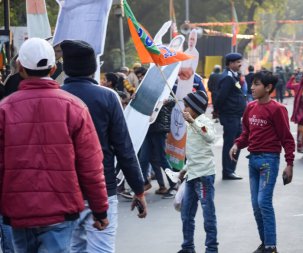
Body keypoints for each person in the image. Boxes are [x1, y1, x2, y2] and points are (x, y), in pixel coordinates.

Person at [0, 37, 109, 252]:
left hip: (18, 211)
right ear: (52, 68)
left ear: (20, 66)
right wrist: (100, 210)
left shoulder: (4, 109)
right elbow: (91, 166)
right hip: (61, 210)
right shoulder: (74, 107)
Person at [59, 40, 147, 253]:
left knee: (72, 248)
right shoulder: (108, 97)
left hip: (65, 190)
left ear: (65, 68)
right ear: (93, 69)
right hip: (102, 186)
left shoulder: (56, 98)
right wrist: (138, 189)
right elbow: (123, 148)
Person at [230, 71, 295, 253]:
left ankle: (271, 246)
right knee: (256, 205)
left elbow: (287, 139)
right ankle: (265, 242)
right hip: (253, 161)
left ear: (268, 88)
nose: (252, 87)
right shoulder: (250, 107)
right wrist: (237, 144)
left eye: (256, 84)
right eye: (252, 84)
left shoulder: (277, 109)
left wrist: (289, 164)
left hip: (269, 161)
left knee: (263, 202)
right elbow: (246, 134)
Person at [178, 90, 218, 253]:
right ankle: (188, 247)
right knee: (186, 214)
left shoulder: (203, 121)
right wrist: (184, 169)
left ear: (194, 108)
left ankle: (212, 248)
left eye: (187, 106)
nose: (184, 109)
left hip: (204, 175)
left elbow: (210, 137)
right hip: (191, 174)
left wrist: (193, 122)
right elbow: (196, 152)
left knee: (208, 214)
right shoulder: (190, 123)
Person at [215, 53, 246, 180]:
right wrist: (218, 111)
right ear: (230, 63)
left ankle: (231, 170)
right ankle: (227, 171)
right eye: (238, 62)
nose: (240, 64)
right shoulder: (228, 77)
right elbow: (220, 97)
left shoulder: (234, 76)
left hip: (235, 115)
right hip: (230, 116)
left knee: (237, 142)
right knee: (230, 143)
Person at [139, 98, 177, 197]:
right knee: (143, 158)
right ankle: (145, 183)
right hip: (148, 127)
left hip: (159, 129)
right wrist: (136, 98)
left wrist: (167, 101)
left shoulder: (163, 88)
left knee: (161, 158)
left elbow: (173, 101)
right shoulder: (147, 89)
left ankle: (173, 185)